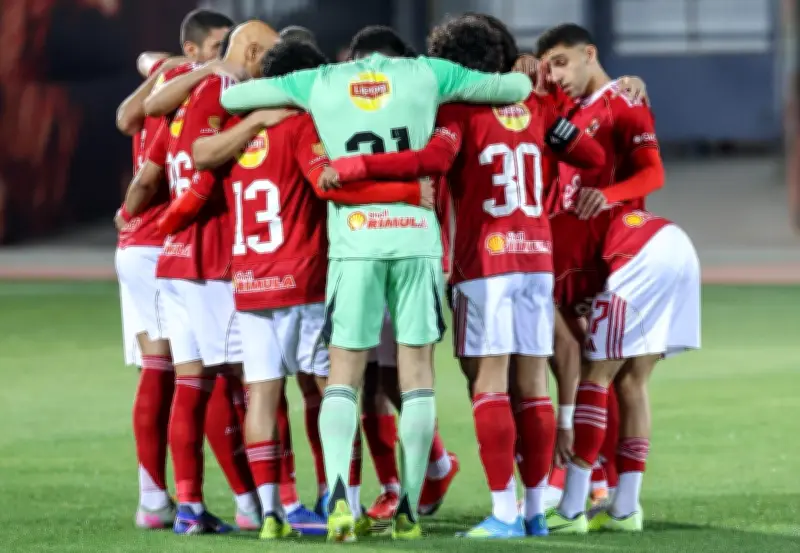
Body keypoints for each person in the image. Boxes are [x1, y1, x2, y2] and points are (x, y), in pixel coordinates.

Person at [219, 23, 533, 542]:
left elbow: (235, 97)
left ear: (355, 56)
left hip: (355, 243)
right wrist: (521, 66)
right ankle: (408, 508)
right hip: (415, 241)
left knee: (344, 377)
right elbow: (515, 88)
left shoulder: (321, 80)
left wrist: (263, 104)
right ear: (398, 54)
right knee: (416, 377)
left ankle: (341, 501)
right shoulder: (428, 73)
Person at [322, 15, 606, 539]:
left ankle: (502, 513)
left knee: (489, 385)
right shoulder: (537, 104)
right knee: (533, 387)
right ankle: (534, 511)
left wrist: (360, 166)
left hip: (486, 264)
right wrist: (554, 118)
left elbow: (432, 159)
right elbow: (591, 155)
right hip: (536, 258)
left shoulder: (454, 112)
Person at [119, 20, 280, 535]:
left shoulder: (181, 92)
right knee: (252, 380)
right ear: (248, 51)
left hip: (170, 254)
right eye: (268, 53)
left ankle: (186, 504)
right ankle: (269, 504)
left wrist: (136, 216)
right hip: (207, 254)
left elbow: (148, 153)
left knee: (190, 381)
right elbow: (203, 164)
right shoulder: (229, 89)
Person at [547, 208, 700, 534]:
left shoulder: (543, 255)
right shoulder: (557, 229)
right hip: (675, 243)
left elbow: (570, 348)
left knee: (595, 375)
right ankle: (625, 509)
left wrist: (566, 419)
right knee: (632, 381)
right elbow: (579, 335)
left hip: (636, 254)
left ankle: (571, 509)